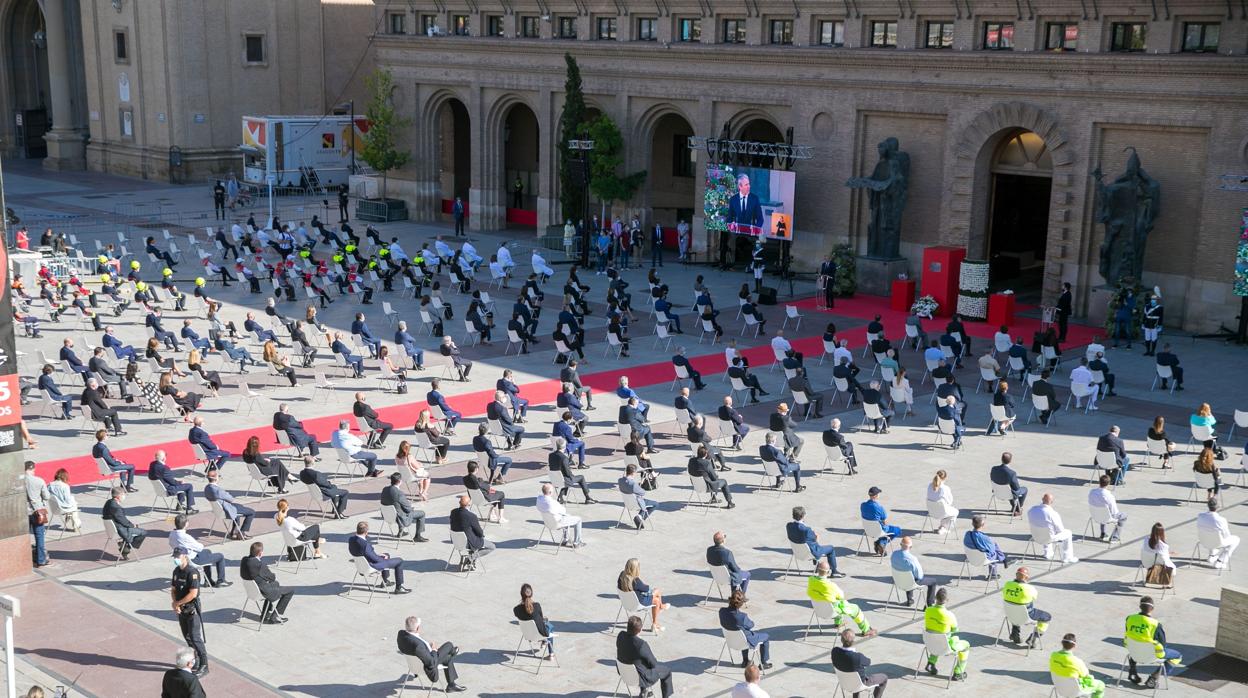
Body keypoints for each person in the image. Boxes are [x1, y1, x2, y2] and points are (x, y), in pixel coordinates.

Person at [169, 546, 210, 677]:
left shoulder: (192, 573)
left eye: (178, 557)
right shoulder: (176, 571)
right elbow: (173, 589)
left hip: (192, 609)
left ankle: (204, 665)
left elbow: (193, 594)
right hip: (181, 609)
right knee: (187, 636)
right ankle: (195, 660)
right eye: (175, 557)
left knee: (195, 638)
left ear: (185, 557)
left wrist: (177, 603)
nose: (176, 559)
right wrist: (175, 603)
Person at [1124, 597, 1182, 688]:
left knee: (1136, 643)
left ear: (1140, 606)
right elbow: (1162, 644)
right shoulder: (1155, 624)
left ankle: (1132, 671)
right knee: (1178, 656)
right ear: (1152, 609)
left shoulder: (1129, 618)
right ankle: (1153, 679)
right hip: (1151, 656)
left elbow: (1130, 634)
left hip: (1133, 653)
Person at [807, 560, 874, 635]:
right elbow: (841, 596)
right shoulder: (831, 586)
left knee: (834, 602)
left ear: (817, 570)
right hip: (831, 612)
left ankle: (838, 623)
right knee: (854, 608)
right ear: (828, 572)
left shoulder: (811, 581)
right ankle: (866, 629)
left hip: (818, 610)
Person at [617, 615, 675, 698]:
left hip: (623, 672)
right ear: (640, 630)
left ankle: (644, 691)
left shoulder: (620, 635)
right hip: (639, 678)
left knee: (639, 663)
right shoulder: (641, 644)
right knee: (666, 671)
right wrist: (639, 639)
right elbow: (654, 664)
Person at [349, 521, 411, 594]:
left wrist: (378, 555)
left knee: (386, 554)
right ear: (366, 532)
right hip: (370, 566)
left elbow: (360, 552)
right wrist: (380, 557)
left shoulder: (351, 539)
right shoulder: (365, 545)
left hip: (360, 564)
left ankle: (385, 581)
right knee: (399, 561)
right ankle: (399, 588)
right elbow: (375, 559)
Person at [240, 541, 294, 624]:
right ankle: (275, 617)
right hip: (262, 591)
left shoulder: (244, 560)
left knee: (276, 584)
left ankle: (265, 614)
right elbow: (272, 577)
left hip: (251, 590)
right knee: (290, 591)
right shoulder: (259, 564)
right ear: (260, 553)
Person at [923, 587, 970, 681]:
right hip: (944, 646)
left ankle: (931, 662)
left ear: (935, 598)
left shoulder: (928, 610)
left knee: (936, 636)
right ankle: (958, 672)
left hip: (930, 643)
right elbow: (955, 630)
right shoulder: (949, 615)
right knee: (966, 646)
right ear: (947, 600)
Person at [719, 589, 772, 669]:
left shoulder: (721, 611)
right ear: (740, 604)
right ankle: (763, 663)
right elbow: (751, 625)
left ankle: (745, 660)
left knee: (742, 633)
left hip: (730, 639)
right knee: (766, 636)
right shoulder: (742, 617)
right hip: (744, 641)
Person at [1002, 566, 1050, 647]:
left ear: (1016, 575)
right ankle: (1033, 638)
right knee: (1047, 617)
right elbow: (1035, 597)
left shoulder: (1007, 584)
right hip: (1026, 617)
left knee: (1015, 607)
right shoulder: (1029, 588)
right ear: (1027, 577)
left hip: (1010, 615)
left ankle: (1015, 634)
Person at [788, 506, 843, 576]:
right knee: (831, 548)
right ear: (803, 516)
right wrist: (815, 535)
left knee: (810, 544)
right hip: (809, 553)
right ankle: (834, 571)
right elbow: (815, 539)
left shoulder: (789, 525)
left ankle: (817, 566)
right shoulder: (806, 530)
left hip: (796, 551)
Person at [618, 558, 670, 630]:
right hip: (638, 603)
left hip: (626, 602)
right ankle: (655, 624)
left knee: (656, 597)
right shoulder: (635, 581)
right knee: (657, 595)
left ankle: (661, 607)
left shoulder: (622, 576)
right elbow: (646, 588)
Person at [1027, 493, 1078, 564]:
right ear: (1052, 502)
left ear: (1042, 499)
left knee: (1045, 528)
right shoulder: (1052, 514)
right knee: (1068, 533)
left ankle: (1047, 553)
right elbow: (1060, 530)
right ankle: (1067, 557)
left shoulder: (1031, 510)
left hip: (1035, 536)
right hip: (1048, 538)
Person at [203, 468, 253, 539]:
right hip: (225, 510)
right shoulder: (217, 490)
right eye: (218, 476)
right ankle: (242, 533)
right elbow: (231, 499)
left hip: (218, 509)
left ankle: (234, 531)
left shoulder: (207, 488)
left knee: (239, 506)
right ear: (215, 478)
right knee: (251, 512)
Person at [449, 494, 494, 569]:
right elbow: (479, 532)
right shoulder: (471, 516)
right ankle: (470, 558)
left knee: (473, 540)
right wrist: (481, 536)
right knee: (491, 546)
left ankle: (471, 559)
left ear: (459, 503)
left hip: (456, 540)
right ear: (469, 504)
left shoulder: (453, 512)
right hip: (467, 542)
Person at [891, 536, 938, 608]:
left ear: (900, 544)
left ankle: (910, 600)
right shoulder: (912, 559)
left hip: (898, 580)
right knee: (933, 582)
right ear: (911, 547)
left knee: (907, 574)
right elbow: (919, 576)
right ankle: (929, 605)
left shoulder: (894, 554)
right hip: (910, 582)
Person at [102, 486, 146, 559]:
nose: (124, 496)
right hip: (120, 530)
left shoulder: (108, 502)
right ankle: (126, 548)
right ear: (118, 496)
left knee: (135, 530)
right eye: (123, 494)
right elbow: (123, 521)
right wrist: (133, 525)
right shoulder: (116, 508)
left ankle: (124, 545)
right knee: (143, 532)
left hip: (111, 529)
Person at [536, 482, 585, 547]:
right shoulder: (552, 503)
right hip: (557, 524)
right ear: (550, 492)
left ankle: (565, 539)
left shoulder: (539, 499)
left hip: (547, 522)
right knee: (578, 519)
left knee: (567, 516)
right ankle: (577, 542)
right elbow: (563, 510)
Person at [548, 437, 595, 503]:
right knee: (581, 477)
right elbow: (568, 473)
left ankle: (560, 497)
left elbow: (557, 466)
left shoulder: (551, 455)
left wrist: (569, 461)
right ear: (564, 447)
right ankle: (588, 498)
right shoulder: (564, 458)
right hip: (563, 480)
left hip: (554, 479)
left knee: (565, 479)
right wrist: (571, 475)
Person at [1196, 498, 1239, 570]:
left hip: (1203, 541)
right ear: (1217, 507)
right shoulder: (1221, 520)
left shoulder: (1200, 516)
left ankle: (1212, 556)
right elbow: (1227, 535)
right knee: (1236, 539)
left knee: (1210, 534)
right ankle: (1221, 561)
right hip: (1216, 543)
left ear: (1208, 506)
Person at [965, 514, 1011, 579]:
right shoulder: (985, 538)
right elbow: (992, 551)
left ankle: (1004, 559)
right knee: (994, 550)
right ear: (983, 525)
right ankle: (994, 572)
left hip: (970, 558)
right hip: (982, 559)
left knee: (993, 546)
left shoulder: (967, 534)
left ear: (972, 524)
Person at [22, 462, 49, 568]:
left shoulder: (19, 481)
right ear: (32, 469)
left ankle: (24, 560)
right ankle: (41, 560)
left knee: (24, 537)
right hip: (37, 512)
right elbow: (46, 496)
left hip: (24, 512)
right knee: (40, 537)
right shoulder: (39, 480)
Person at [860, 487, 901, 554]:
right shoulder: (879, 507)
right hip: (879, 530)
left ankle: (879, 543)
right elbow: (885, 522)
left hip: (867, 530)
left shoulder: (862, 505)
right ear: (876, 496)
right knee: (898, 530)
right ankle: (881, 542)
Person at [1088, 475, 1128, 542]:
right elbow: (1114, 512)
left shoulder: (1092, 492)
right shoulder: (1109, 496)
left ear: (1099, 482)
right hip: (1106, 516)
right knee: (1123, 516)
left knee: (1102, 511)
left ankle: (1103, 533)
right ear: (1108, 484)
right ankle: (1115, 537)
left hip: (1095, 515)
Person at [618, 463, 657, 529]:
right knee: (656, 504)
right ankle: (640, 516)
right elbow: (643, 493)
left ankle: (640, 517)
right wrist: (640, 485)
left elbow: (630, 489)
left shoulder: (620, 480)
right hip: (636, 503)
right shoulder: (633, 484)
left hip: (627, 503)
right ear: (633, 473)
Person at [926, 470, 958, 535]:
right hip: (941, 512)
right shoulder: (945, 488)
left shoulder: (929, 485)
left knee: (946, 509)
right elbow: (950, 501)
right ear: (945, 478)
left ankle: (942, 526)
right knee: (955, 511)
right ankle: (944, 528)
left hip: (931, 511)